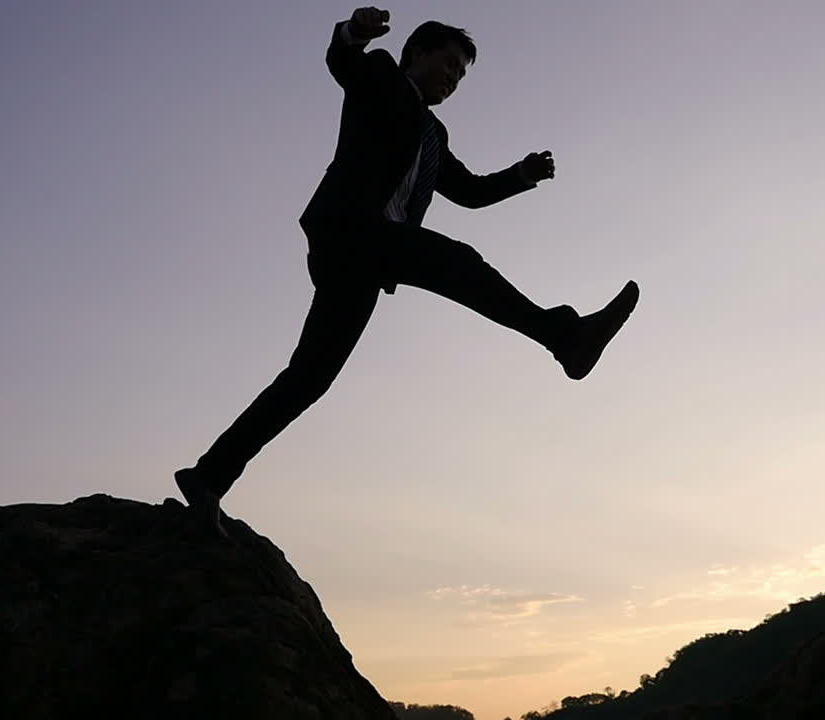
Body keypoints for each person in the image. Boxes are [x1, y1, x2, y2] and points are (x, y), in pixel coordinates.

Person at [175, 7, 639, 534]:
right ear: (416, 52)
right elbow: (341, 61)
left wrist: (521, 175)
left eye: (461, 76)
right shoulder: (380, 78)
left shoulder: (434, 134)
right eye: (447, 64)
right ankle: (565, 336)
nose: (452, 79)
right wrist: (353, 33)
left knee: (309, 378)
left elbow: (468, 192)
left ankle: (208, 476)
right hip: (351, 231)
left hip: (370, 259)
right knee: (458, 263)